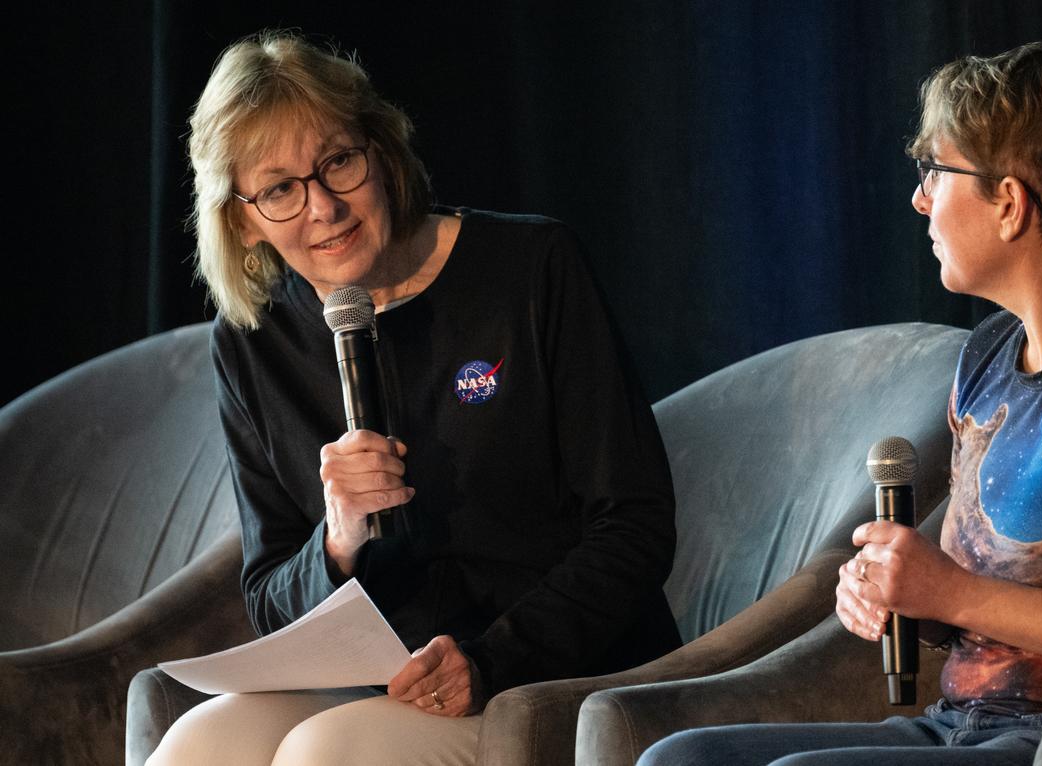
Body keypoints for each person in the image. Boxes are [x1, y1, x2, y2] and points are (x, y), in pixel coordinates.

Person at [638, 40, 1042, 766]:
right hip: (959, 723)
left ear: (1011, 204)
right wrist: (899, 590)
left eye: (937, 171)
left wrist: (949, 592)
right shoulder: (989, 354)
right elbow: (971, 594)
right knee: (680, 759)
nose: (920, 197)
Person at [145, 31, 681, 766]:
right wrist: (336, 542)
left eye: (338, 161)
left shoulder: (530, 269)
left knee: (327, 753)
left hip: (552, 675)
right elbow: (270, 593)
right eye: (278, 190)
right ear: (243, 220)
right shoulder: (253, 342)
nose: (324, 207)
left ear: (380, 147)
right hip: (378, 679)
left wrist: (489, 659)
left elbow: (636, 524)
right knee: (194, 747)